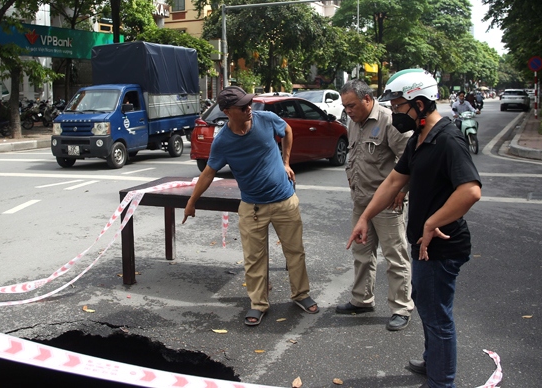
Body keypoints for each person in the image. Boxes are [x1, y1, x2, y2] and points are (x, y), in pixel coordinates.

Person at [347, 69, 481, 388]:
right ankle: (433, 359)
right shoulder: (421, 139)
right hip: (423, 244)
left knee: (438, 319)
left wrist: (434, 221)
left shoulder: (447, 139)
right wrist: (366, 216)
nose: (393, 112)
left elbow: (471, 190)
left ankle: (441, 380)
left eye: (397, 105)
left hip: (441, 246)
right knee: (427, 307)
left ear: (419, 104)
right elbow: (394, 180)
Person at [182, 86, 318, 326]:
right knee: (254, 258)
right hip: (252, 207)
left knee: (295, 251)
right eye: (242, 106)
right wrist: (192, 202)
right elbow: (208, 172)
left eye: (249, 103)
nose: (249, 109)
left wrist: (286, 161)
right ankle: (258, 303)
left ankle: (301, 294)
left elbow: (286, 130)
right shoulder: (223, 140)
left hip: (284, 200)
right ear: (227, 111)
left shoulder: (266, 120)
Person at [336, 80, 414, 332]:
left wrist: (402, 190)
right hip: (361, 201)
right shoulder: (352, 122)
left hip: (387, 203)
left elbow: (409, 158)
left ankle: (401, 308)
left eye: (352, 105)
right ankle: (362, 299)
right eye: (345, 106)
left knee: (395, 255)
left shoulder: (390, 121)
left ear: (368, 99)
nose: (348, 111)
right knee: (361, 253)